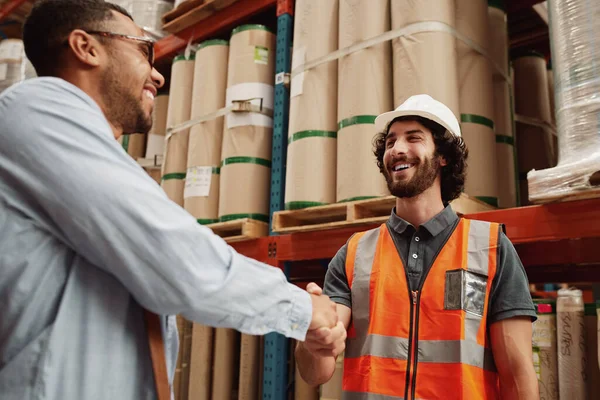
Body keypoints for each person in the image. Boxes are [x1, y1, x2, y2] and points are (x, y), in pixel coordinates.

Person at [0, 1, 338, 399]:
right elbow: (171, 255)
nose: (158, 75)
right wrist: (303, 309)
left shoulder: (79, 152)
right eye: (144, 51)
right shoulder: (35, 112)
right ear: (85, 47)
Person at [295, 94, 540, 399]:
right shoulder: (355, 253)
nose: (397, 149)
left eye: (413, 138)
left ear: (443, 156)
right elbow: (317, 371)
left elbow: (517, 376)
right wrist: (311, 335)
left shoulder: (490, 248)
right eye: (390, 142)